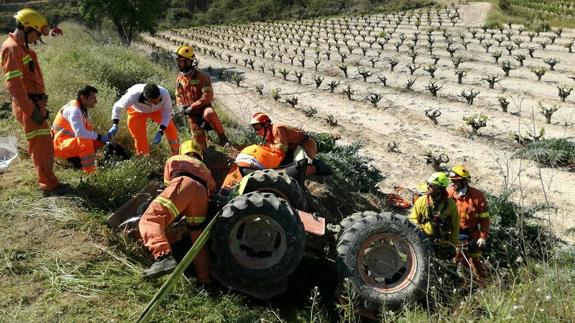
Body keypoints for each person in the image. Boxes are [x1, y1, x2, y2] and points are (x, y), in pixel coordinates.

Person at [1, 8, 67, 195]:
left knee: (44, 143)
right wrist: (32, 111)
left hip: (34, 105)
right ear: (27, 28)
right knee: (41, 145)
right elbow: (14, 85)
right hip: (28, 106)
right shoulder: (12, 48)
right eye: (37, 33)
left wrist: (39, 104)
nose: (37, 38)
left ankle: (49, 181)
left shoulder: (20, 47)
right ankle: (48, 186)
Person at [139, 139, 216, 281]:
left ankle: (163, 256)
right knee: (196, 236)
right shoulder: (205, 168)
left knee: (151, 219)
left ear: (183, 151)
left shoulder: (175, 159)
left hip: (183, 184)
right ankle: (205, 279)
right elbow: (212, 190)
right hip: (202, 196)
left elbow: (168, 185)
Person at [175, 45, 228, 149]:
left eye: (181, 62)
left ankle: (223, 138)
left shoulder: (202, 77)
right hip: (192, 116)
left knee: (210, 112)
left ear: (189, 62)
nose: (179, 64)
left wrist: (193, 106)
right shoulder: (180, 78)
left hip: (203, 111)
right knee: (200, 146)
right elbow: (178, 94)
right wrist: (180, 105)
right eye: (179, 61)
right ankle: (206, 144)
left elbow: (208, 96)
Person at [108, 83, 180, 156]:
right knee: (139, 137)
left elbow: (167, 113)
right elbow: (117, 106)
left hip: (157, 111)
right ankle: (143, 156)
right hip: (136, 111)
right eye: (154, 101)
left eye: (159, 100)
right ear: (146, 97)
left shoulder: (164, 93)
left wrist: (160, 131)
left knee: (170, 128)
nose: (157, 102)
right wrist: (115, 124)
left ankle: (176, 153)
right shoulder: (133, 95)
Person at [51, 85, 108, 173]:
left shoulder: (80, 108)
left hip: (68, 142)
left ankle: (77, 159)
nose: (96, 101)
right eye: (93, 98)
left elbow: (85, 131)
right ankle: (90, 172)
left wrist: (102, 139)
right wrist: (99, 137)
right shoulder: (74, 110)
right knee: (86, 142)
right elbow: (80, 133)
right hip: (59, 145)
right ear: (83, 98)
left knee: (98, 141)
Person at [447, 164, 490, 281]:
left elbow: (485, 219)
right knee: (455, 261)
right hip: (456, 234)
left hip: (473, 235)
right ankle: (460, 284)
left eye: (455, 181)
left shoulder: (477, 196)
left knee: (475, 261)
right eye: (452, 181)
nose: (453, 184)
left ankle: (483, 285)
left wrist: (483, 237)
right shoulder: (450, 193)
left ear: (464, 181)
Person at [409, 172, 459, 258]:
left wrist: (453, 246)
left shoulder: (450, 204)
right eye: (428, 184)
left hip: (443, 244)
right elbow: (413, 220)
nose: (428, 186)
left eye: (431, 185)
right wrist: (419, 234)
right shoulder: (421, 201)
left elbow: (455, 226)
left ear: (440, 188)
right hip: (424, 243)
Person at [250, 112, 318, 175]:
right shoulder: (269, 133)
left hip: (304, 144)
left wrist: (269, 145)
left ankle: (320, 168)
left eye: (257, 127)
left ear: (266, 124)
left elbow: (282, 149)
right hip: (293, 148)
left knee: (302, 168)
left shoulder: (277, 129)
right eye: (254, 127)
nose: (256, 131)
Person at [221, 144, 286, 190]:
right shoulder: (277, 156)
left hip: (241, 159)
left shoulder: (260, 146)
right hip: (252, 164)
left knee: (227, 186)